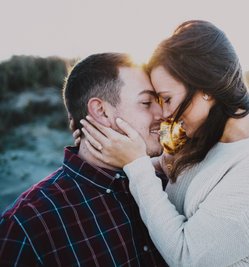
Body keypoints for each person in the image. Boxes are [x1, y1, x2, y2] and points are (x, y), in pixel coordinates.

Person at [80, 20, 249, 266]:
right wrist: (102, 145)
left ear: (206, 87)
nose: (163, 113)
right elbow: (163, 166)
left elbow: (187, 258)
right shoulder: (204, 138)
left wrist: (137, 164)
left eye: (167, 99)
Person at [0, 53, 168, 266]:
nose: (163, 113)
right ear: (101, 111)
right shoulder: (28, 226)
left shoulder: (170, 183)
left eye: (161, 101)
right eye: (146, 102)